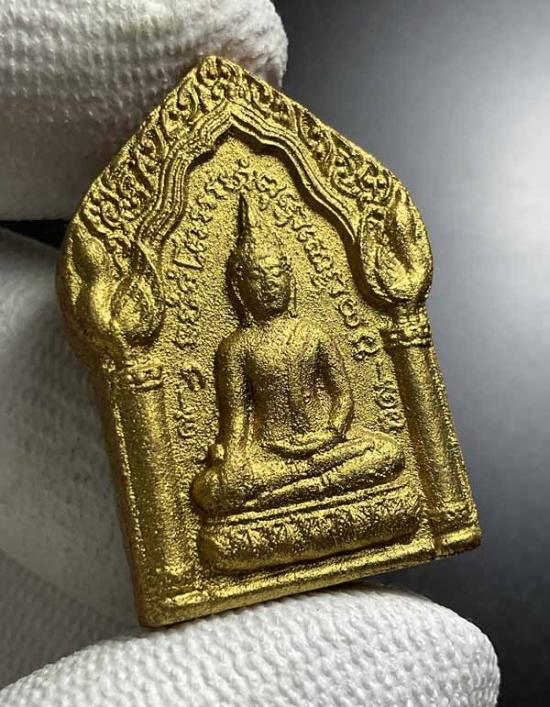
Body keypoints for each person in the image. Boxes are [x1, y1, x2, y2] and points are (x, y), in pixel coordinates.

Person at [192, 196, 404, 515]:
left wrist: (330, 433)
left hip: (329, 445)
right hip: (271, 452)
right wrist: (232, 458)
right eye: (258, 278)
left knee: (388, 453)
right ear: (239, 287)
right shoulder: (236, 347)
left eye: (276, 274)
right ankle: (313, 484)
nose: (269, 285)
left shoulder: (314, 334)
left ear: (290, 278)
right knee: (211, 489)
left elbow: (343, 396)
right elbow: (236, 418)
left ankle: (291, 491)